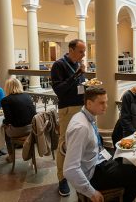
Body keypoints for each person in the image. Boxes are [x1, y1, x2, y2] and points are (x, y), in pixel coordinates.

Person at [64, 87, 136, 202]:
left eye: (106, 102)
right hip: (93, 174)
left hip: (99, 160)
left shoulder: (85, 116)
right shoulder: (81, 128)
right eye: (102, 103)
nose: (106, 106)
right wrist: (91, 192)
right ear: (89, 103)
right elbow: (70, 169)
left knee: (127, 161)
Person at [51, 39, 87, 197]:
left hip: (81, 108)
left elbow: (77, 87)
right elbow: (60, 90)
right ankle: (62, 179)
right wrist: (78, 74)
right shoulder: (59, 65)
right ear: (71, 50)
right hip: (67, 109)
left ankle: (79, 172)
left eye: (84, 51)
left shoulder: (77, 64)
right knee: (64, 144)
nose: (84, 54)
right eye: (81, 51)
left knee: (81, 141)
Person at [1, 78, 37, 162]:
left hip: (20, 130)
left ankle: (11, 156)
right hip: (32, 128)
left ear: (7, 87)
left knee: (5, 129)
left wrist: (4, 123)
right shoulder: (27, 96)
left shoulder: (5, 100)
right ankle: (20, 146)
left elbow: (8, 120)